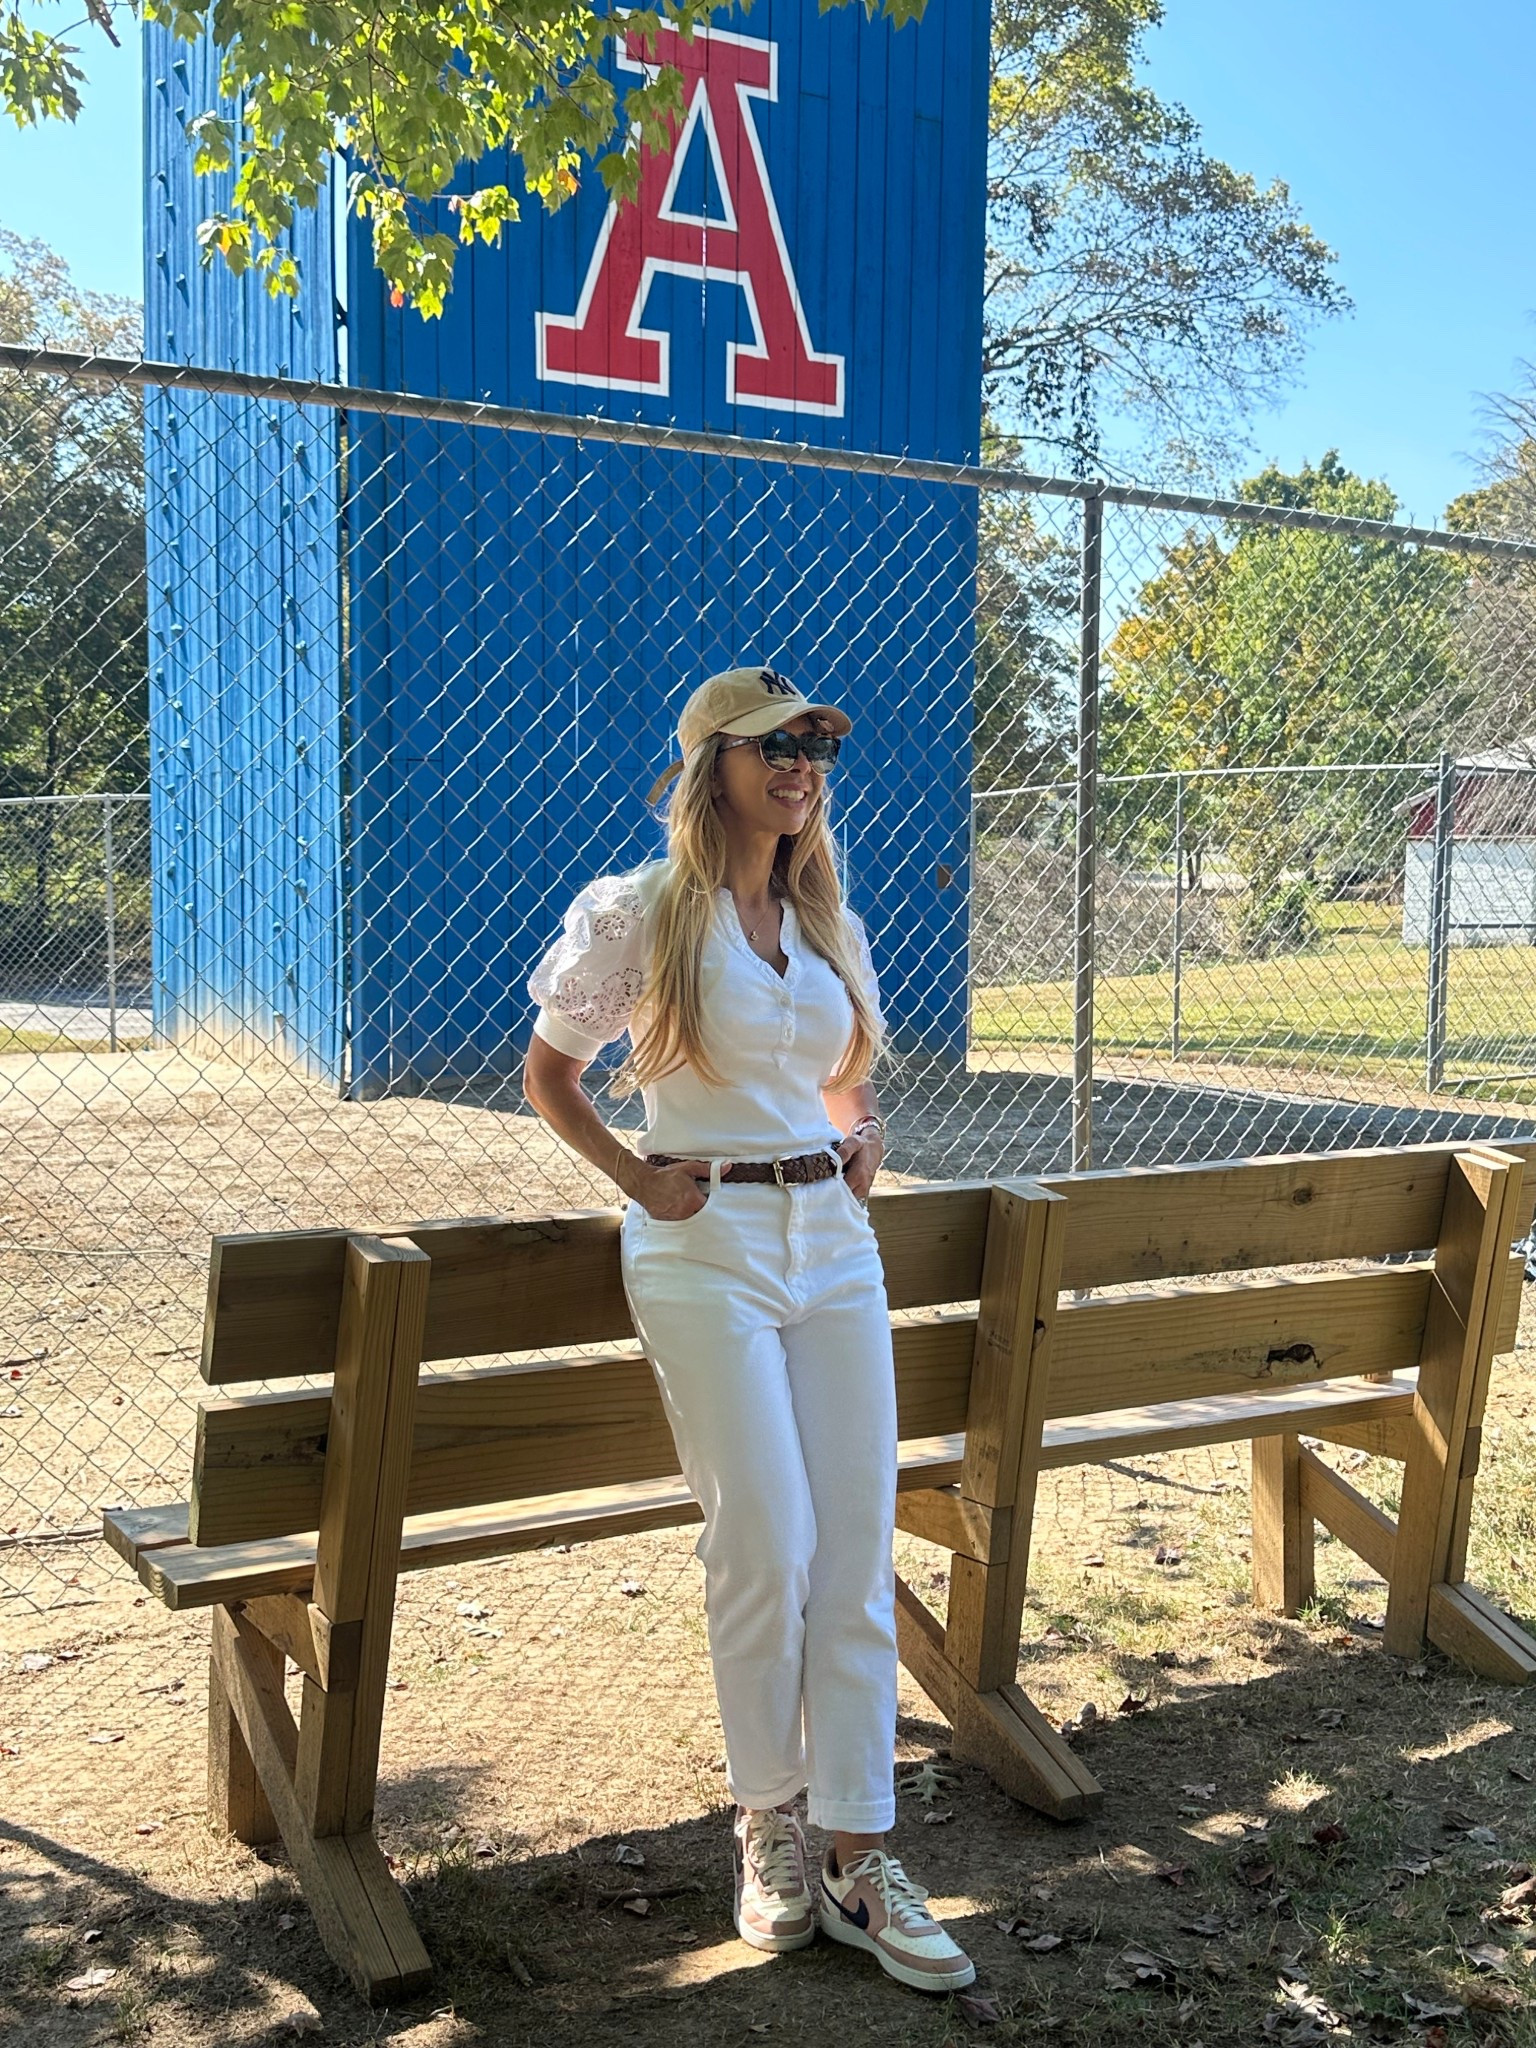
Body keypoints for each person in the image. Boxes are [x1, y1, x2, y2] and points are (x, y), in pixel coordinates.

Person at [522, 666, 976, 1994]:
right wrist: (635, 1176)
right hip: (704, 1249)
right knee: (765, 1540)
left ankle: (860, 1857)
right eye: (776, 745)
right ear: (711, 761)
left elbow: (838, 1080)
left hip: (833, 1250)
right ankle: (768, 1822)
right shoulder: (642, 913)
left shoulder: (825, 917)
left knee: (852, 1545)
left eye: (819, 745)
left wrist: (863, 1135)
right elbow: (552, 1072)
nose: (803, 765)